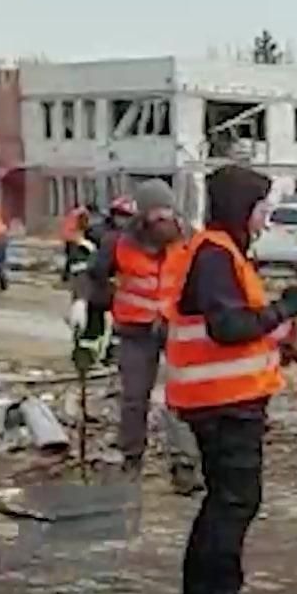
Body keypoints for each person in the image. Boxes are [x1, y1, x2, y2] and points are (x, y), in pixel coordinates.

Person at [163, 164, 297, 594]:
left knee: (218, 505)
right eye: (260, 207)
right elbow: (228, 326)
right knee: (234, 506)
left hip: (215, 399)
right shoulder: (215, 256)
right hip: (226, 402)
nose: (265, 217)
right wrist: (284, 309)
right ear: (240, 207)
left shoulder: (217, 253)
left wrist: (277, 329)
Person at [71, 179, 201, 496]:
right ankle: (131, 461)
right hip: (135, 331)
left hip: (177, 330)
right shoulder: (119, 243)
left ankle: (184, 466)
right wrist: (81, 302)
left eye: (167, 212)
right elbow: (92, 276)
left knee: (181, 399)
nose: (164, 220)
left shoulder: (190, 241)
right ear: (142, 217)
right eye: (156, 214)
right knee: (133, 399)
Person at [59, 203, 94, 280]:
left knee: (70, 255)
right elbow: (83, 225)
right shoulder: (83, 213)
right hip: (73, 236)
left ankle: (66, 275)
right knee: (73, 256)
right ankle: (67, 275)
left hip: (67, 234)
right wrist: (88, 229)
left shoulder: (75, 211)